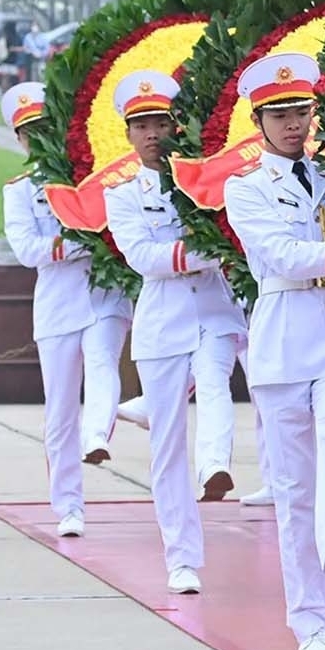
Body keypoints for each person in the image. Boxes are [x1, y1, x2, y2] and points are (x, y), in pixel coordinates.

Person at [223, 52, 325, 650]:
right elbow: (284, 257)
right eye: (280, 114)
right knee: (292, 492)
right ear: (259, 121)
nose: (293, 124)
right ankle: (311, 625)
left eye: (302, 112)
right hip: (284, 336)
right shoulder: (246, 186)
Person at [102, 70, 248, 593]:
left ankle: (215, 467)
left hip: (213, 311)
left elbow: (230, 230)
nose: (152, 134)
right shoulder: (121, 194)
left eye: (160, 122)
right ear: (128, 133)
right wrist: (209, 253)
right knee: (165, 446)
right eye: (141, 125)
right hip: (162, 324)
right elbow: (144, 258)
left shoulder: (205, 178)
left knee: (214, 386)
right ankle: (181, 556)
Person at [1, 83, 131, 536]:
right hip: (57, 306)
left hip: (103, 296)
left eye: (43, 127)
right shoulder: (20, 191)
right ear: (19, 139)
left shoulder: (92, 173)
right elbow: (28, 249)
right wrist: (80, 241)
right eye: (28, 132)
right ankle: (68, 506)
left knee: (102, 362)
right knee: (58, 411)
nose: (37, 138)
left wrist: (84, 239)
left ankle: (97, 436)